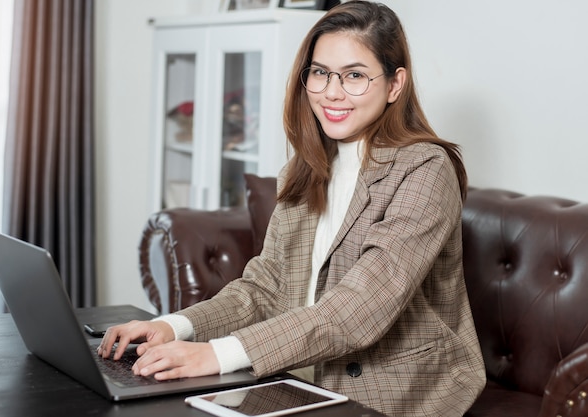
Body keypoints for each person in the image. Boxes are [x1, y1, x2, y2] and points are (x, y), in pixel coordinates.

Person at [99, 1, 486, 415]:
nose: (332, 92)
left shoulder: (425, 168)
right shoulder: (303, 170)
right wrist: (172, 327)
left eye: (355, 75)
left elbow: (360, 307)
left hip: (395, 388)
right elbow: (264, 287)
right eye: (320, 73)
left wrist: (215, 354)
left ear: (395, 85)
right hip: (296, 373)